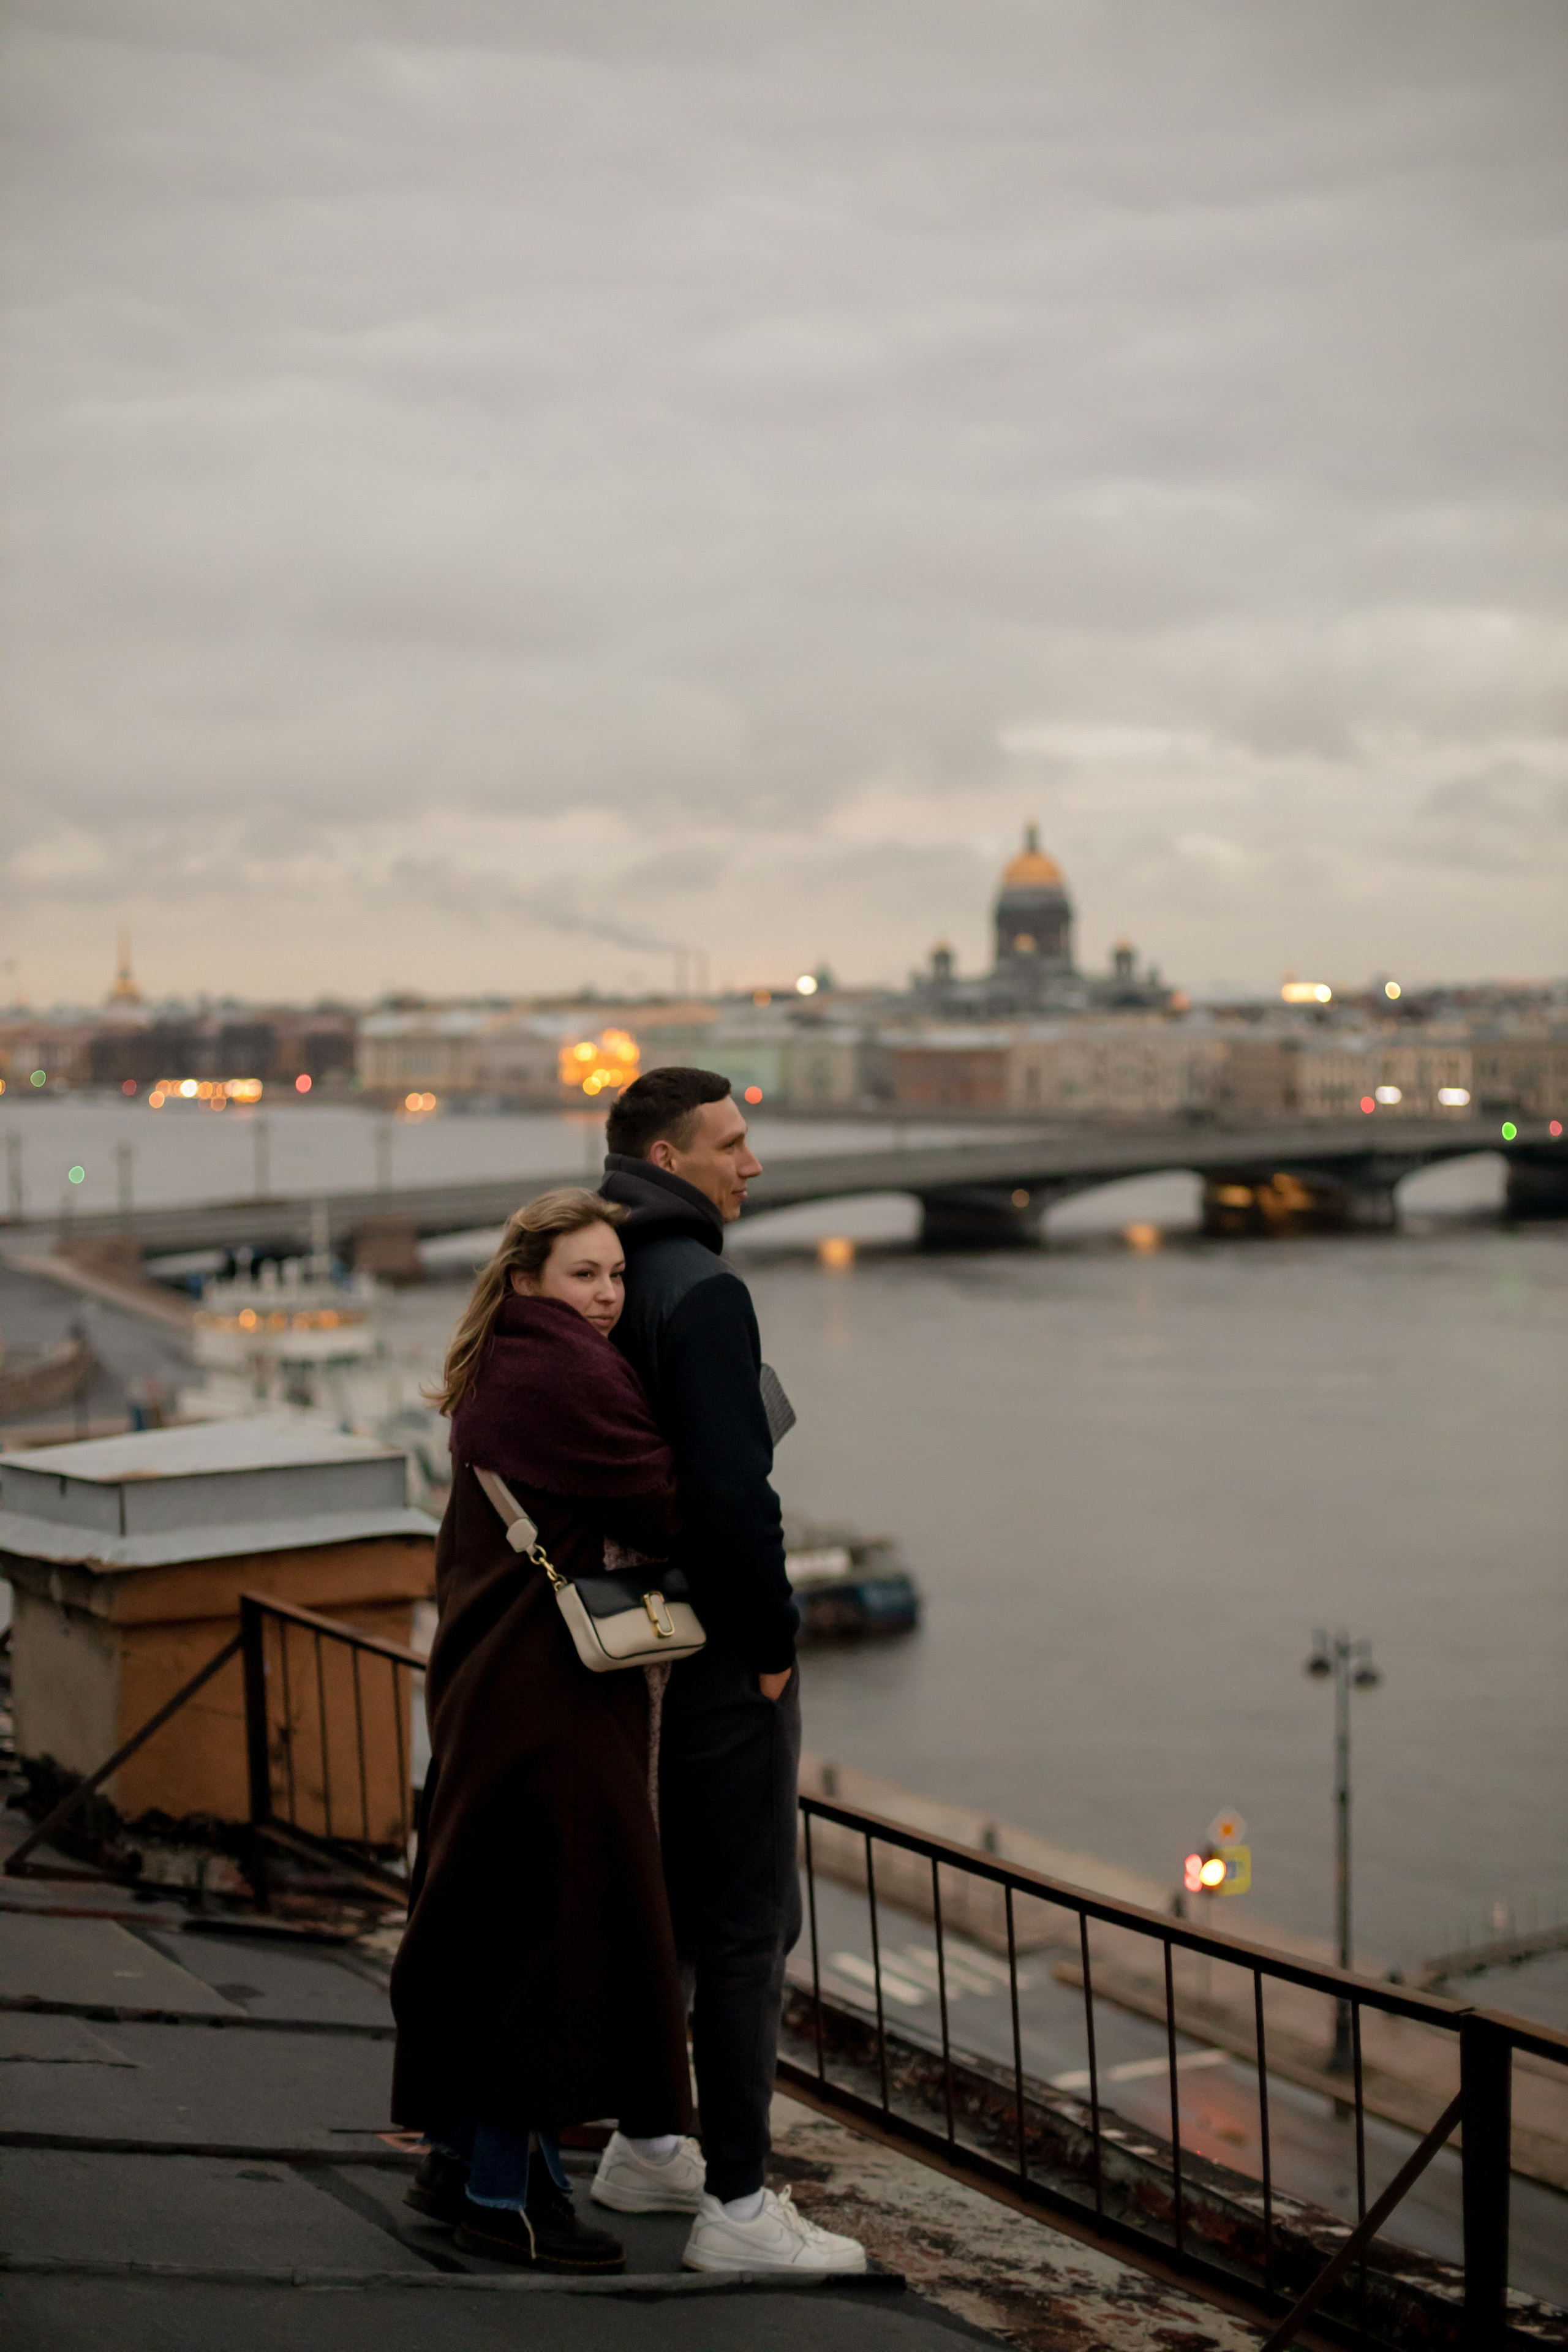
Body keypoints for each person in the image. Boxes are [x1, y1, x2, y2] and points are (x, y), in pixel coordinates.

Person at [390, 1189, 704, 2271]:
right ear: (529, 1281)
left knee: (492, 1926)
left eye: (617, 1276)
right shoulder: (565, 1372)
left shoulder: (500, 1364)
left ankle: (460, 2162)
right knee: (554, 1944)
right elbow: (668, 1502)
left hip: (491, 1683)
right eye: (586, 1275)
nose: (608, 1297)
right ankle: (505, 2201)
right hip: (552, 1700)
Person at [597, 1069, 867, 2275]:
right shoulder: (702, 1291)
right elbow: (729, 1495)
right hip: (710, 1651)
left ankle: (649, 2143)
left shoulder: (596, 1271)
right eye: (732, 1145)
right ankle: (741, 2209)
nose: (752, 1167)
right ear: (668, 1155)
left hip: (621, 1645)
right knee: (748, 1920)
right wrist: (768, 1653)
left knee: (664, 1903)